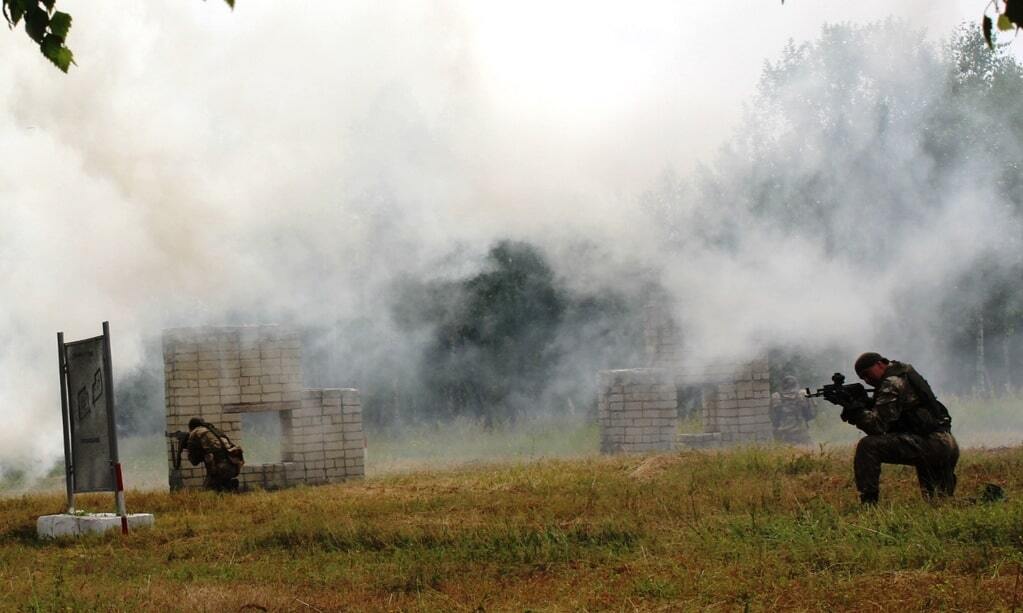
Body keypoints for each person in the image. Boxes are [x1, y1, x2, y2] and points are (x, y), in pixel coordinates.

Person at [843, 352, 959, 504]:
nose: (866, 380)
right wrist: (864, 404)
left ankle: (868, 505)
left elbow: (877, 426)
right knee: (939, 503)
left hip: (931, 444)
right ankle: (988, 498)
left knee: (868, 446)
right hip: (944, 443)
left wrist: (855, 411)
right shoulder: (903, 372)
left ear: (879, 364)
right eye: (862, 378)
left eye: (866, 374)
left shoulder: (892, 381)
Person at [186, 417, 242, 492]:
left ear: (191, 427)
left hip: (221, 468)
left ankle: (228, 486)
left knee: (207, 493)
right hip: (234, 466)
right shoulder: (214, 431)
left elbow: (194, 461)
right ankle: (229, 484)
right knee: (219, 485)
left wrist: (190, 447)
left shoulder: (195, 433)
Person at [770, 375, 816, 445]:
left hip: (783, 434)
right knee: (809, 452)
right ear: (796, 384)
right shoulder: (803, 394)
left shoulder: (776, 397)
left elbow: (773, 418)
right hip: (801, 433)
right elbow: (811, 414)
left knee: (783, 454)